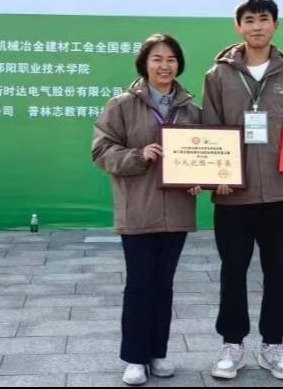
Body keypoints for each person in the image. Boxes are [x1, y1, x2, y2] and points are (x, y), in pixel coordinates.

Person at [202, 0, 283, 381]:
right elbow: (211, 131)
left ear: (275, 25)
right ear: (238, 26)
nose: (257, 26)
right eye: (249, 20)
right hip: (233, 194)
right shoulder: (217, 76)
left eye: (264, 19)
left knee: (277, 271)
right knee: (232, 272)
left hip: (281, 192)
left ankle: (274, 346)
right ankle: (232, 344)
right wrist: (215, 175)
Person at [91, 33, 203, 385]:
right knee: (140, 284)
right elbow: (101, 151)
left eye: (171, 59)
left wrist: (200, 179)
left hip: (177, 212)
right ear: (144, 64)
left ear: (179, 64)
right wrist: (139, 155)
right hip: (138, 209)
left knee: (164, 285)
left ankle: (158, 352)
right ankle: (135, 358)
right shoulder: (122, 105)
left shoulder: (191, 110)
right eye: (157, 59)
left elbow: (205, 154)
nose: (164, 65)